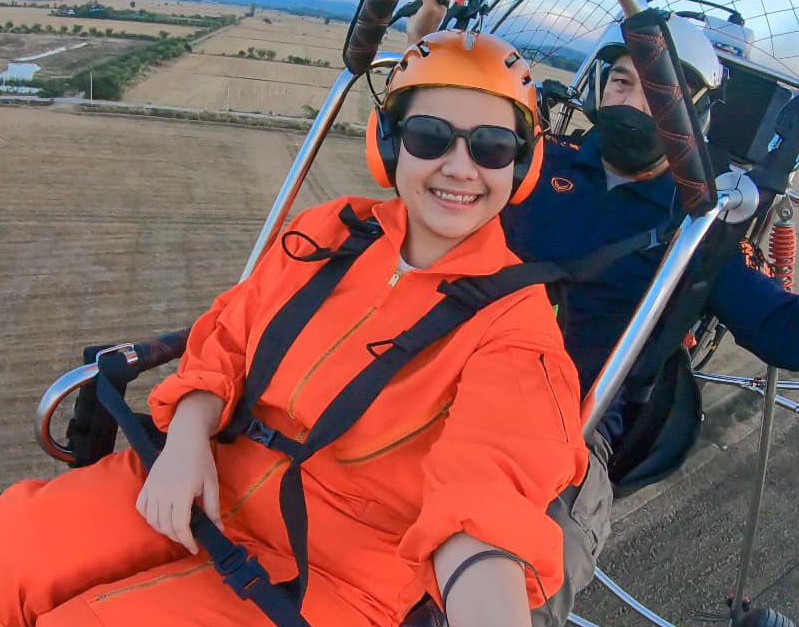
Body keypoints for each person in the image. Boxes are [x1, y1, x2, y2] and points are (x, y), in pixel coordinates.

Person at [0, 31, 588, 627]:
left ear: (522, 164)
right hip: (201, 472)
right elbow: (227, 339)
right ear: (390, 144)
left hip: (337, 579)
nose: (459, 167)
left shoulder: (516, 326)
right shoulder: (330, 231)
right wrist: (185, 440)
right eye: (430, 136)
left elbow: (485, 503)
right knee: (11, 554)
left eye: (491, 147)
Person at [405, 0, 799, 443]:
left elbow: (789, 336)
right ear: (599, 85)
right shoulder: (532, 163)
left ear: (697, 113)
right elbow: (429, 164)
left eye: (660, 93)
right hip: (447, 375)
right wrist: (426, 42)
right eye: (621, 82)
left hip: (566, 428)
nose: (632, 101)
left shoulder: (698, 227)